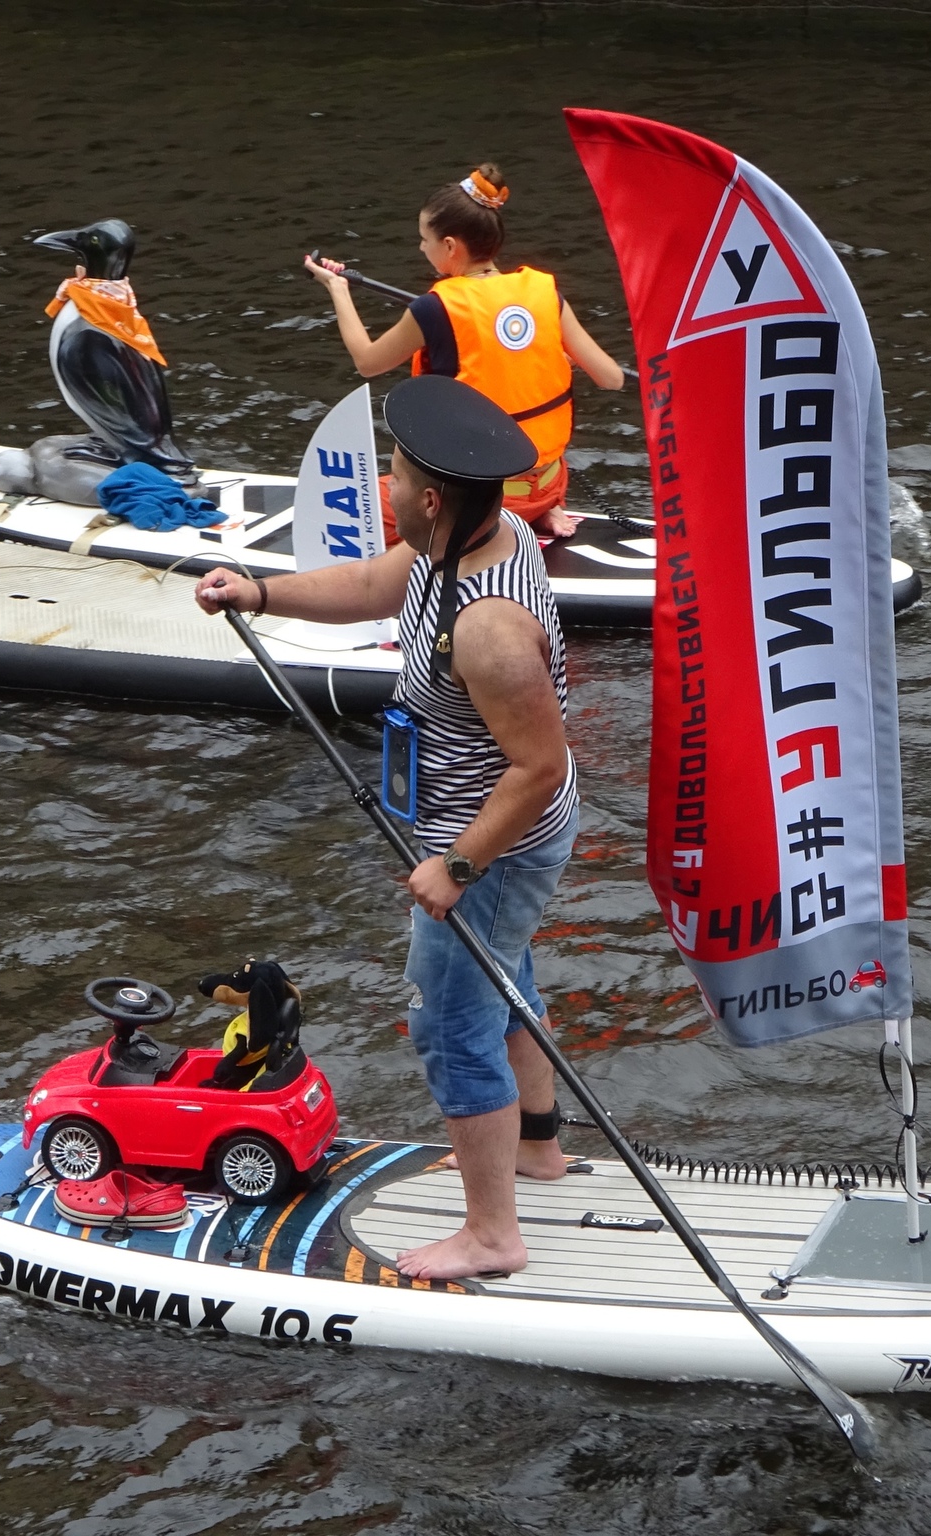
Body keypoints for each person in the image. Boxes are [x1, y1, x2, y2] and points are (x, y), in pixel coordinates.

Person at [195, 373, 578, 1282]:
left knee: (451, 1024)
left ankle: (493, 1234)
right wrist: (260, 593)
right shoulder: (472, 539)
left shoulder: (486, 627)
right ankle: (536, 1146)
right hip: (477, 835)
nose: (385, 489)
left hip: (493, 846)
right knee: (504, 981)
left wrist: (457, 866)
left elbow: (542, 767)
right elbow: (369, 584)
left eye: (395, 476)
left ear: (434, 499)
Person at [303, 163, 625, 539]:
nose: (422, 248)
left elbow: (367, 361)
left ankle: (488, 529)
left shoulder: (434, 308)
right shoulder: (545, 294)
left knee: (343, 504)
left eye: (425, 239)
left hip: (485, 499)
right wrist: (552, 354)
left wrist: (339, 291)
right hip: (550, 484)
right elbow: (611, 378)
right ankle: (542, 510)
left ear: (450, 246)